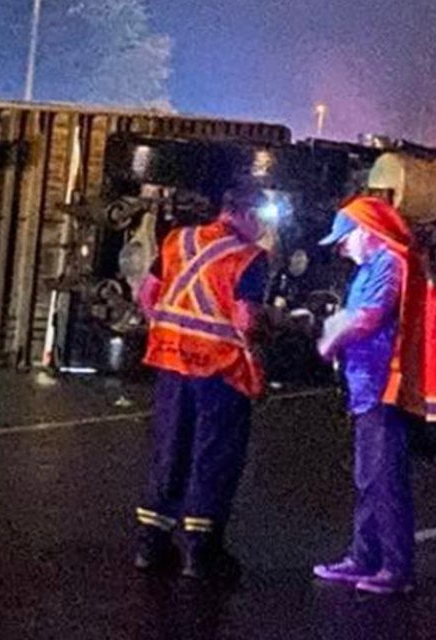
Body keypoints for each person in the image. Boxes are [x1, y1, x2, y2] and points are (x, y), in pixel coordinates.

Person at [311, 195, 436, 596]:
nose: (340, 248)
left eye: (344, 239)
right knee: (369, 478)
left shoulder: (390, 265)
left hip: (383, 387)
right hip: (368, 386)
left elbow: (367, 316)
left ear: (366, 232)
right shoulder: (375, 267)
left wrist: (328, 338)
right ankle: (365, 558)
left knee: (384, 480)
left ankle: (394, 567)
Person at [132, 185, 270, 581]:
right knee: (214, 456)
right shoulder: (249, 257)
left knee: (169, 450)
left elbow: (148, 293)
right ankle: (200, 552)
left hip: (172, 361)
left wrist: (166, 329)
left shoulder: (179, 239)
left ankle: (150, 544)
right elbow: (246, 320)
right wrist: (259, 355)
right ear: (247, 214)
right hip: (219, 371)